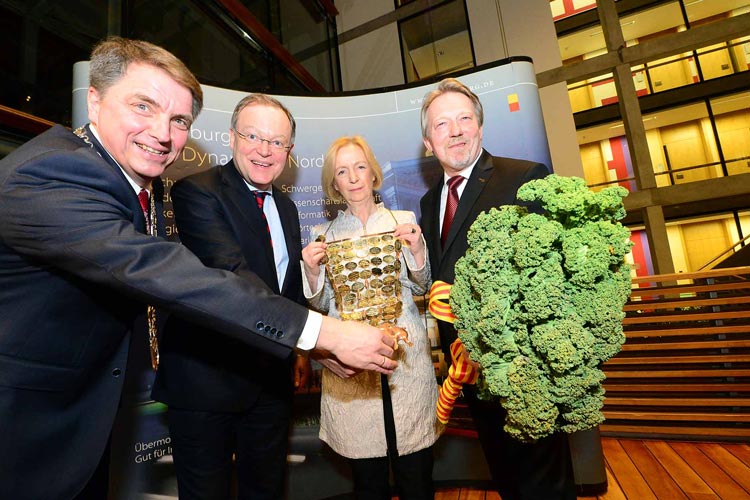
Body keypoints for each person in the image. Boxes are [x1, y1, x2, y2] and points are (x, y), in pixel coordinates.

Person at [0, 37, 398, 500]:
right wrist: (323, 334)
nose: (162, 132)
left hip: (87, 416)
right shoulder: (54, 173)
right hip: (27, 424)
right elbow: (175, 274)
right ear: (95, 99)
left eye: (178, 120)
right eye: (143, 106)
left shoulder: (133, 185)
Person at [418, 78, 577, 500]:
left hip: (524, 369)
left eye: (464, 118)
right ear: (428, 142)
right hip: (468, 370)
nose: (455, 130)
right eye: (441, 124)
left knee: (544, 483)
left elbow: (555, 273)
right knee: (506, 478)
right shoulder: (429, 202)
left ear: (481, 128)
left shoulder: (524, 176)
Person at [151, 93, 310, 499]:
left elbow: (285, 289)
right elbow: (232, 275)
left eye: (277, 142)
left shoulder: (288, 209)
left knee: (267, 491)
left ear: (288, 151)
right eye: (253, 136)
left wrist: (300, 353)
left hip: (269, 384)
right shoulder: (197, 192)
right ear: (232, 137)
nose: (264, 150)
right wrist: (320, 337)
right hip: (206, 383)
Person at [302, 136, 442, 500]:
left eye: (360, 167)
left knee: (417, 478)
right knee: (368, 482)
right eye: (342, 171)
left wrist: (416, 248)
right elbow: (320, 307)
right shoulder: (323, 236)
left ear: (373, 173)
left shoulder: (404, 221)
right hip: (352, 369)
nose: (353, 177)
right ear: (334, 183)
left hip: (406, 361)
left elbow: (423, 285)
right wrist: (313, 273)